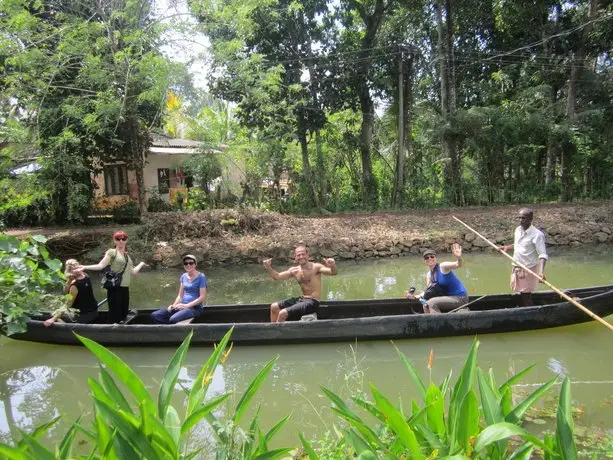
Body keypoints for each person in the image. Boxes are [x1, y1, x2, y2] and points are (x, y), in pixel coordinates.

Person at [78, 231, 147, 323]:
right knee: (115, 314)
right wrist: (85, 267)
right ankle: (110, 332)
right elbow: (101, 265)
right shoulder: (112, 252)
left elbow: (133, 272)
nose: (121, 241)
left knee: (123, 313)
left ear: (126, 241)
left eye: (123, 239)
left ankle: (120, 332)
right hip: (115, 287)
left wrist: (141, 264)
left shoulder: (127, 256)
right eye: (118, 239)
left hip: (124, 288)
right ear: (114, 241)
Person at [263, 246, 337, 323]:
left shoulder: (316, 267)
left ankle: (278, 334)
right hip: (302, 299)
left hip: (313, 302)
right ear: (295, 257)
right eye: (298, 255)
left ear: (308, 255)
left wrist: (332, 265)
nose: (301, 257)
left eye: (303, 254)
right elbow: (277, 276)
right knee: (274, 306)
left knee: (282, 313)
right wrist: (268, 267)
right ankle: (273, 330)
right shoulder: (294, 270)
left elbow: (333, 272)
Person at [498, 207, 548, 306]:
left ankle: (531, 314)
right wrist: (508, 247)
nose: (520, 220)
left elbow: (542, 254)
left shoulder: (537, 235)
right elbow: (519, 245)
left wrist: (541, 272)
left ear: (530, 219)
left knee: (526, 295)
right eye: (519, 218)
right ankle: (526, 309)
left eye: (524, 218)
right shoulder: (517, 230)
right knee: (522, 293)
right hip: (517, 266)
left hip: (528, 268)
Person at [404, 244, 469, 314]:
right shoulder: (429, 275)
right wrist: (415, 297)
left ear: (436, 258)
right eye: (426, 258)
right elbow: (429, 291)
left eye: (432, 256)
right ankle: (430, 322)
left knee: (431, 303)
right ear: (425, 261)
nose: (429, 259)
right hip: (448, 297)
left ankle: (439, 324)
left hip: (460, 298)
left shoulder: (443, 266)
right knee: (425, 303)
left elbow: (458, 264)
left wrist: (459, 257)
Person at [151, 254, 208, 324]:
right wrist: (174, 305)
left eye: (191, 263)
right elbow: (180, 296)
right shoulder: (183, 276)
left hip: (194, 308)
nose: (188, 265)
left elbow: (202, 297)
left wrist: (187, 305)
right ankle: (166, 331)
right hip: (181, 305)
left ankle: (169, 330)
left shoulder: (201, 277)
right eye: (185, 263)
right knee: (155, 315)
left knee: (173, 319)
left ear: (195, 264)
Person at [44, 259, 99, 327]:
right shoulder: (86, 276)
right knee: (60, 313)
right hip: (94, 313)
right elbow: (65, 291)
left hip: (83, 317)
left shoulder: (75, 286)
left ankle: (68, 329)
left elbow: (67, 305)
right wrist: (69, 280)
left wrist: (52, 319)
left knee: (55, 315)